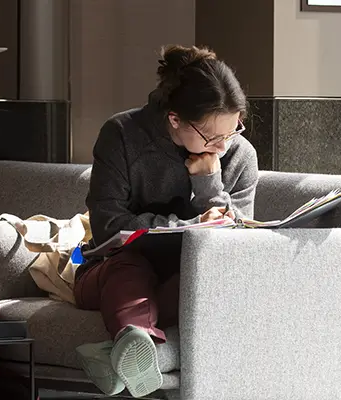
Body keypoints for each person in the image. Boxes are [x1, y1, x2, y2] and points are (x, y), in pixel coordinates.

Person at [73, 44, 259, 398]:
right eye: (212, 136)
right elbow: (109, 228)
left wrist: (210, 186)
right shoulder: (122, 136)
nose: (222, 146)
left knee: (212, 281)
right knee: (128, 265)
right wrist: (183, 225)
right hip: (108, 269)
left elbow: (237, 249)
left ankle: (125, 358)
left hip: (186, 276)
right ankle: (137, 342)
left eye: (232, 132)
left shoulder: (238, 154)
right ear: (175, 119)